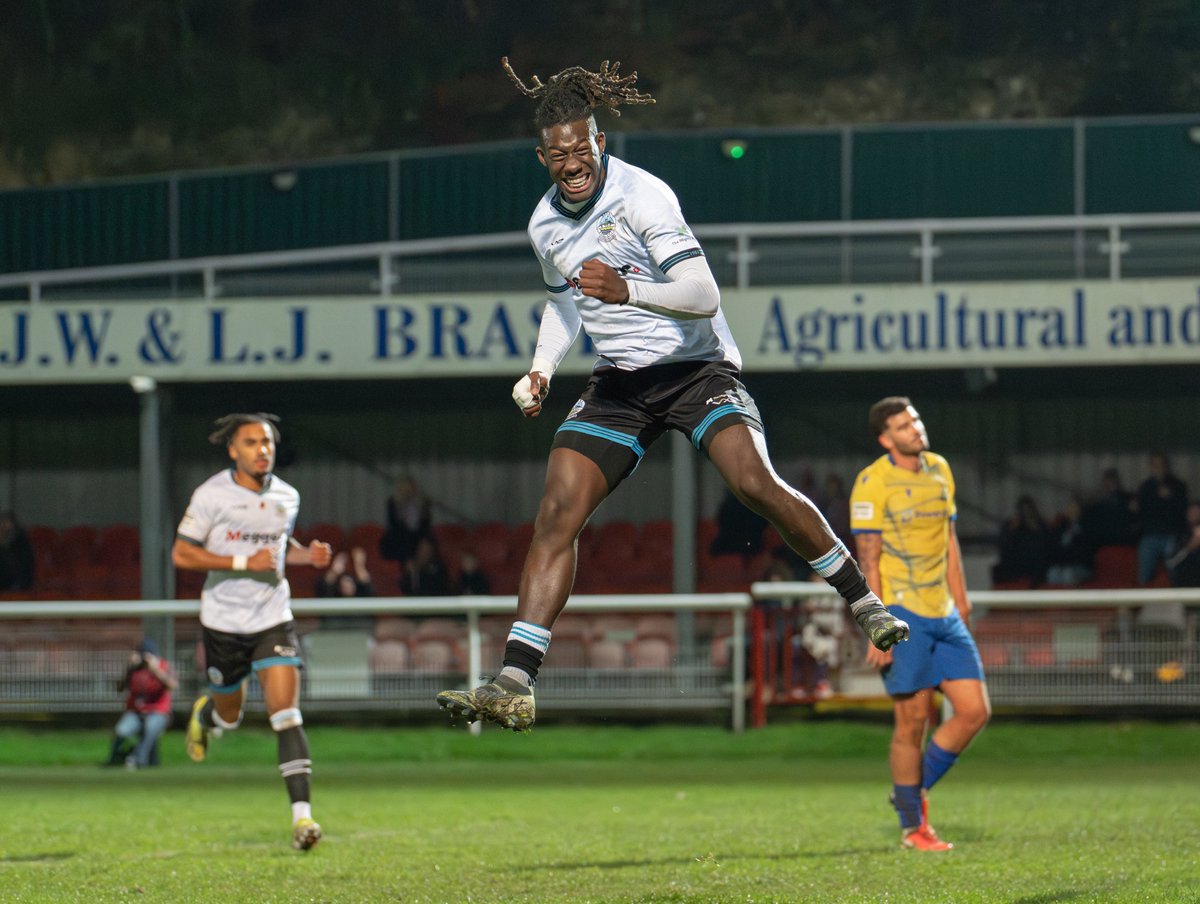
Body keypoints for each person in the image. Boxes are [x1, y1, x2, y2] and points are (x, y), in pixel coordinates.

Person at [436, 58, 907, 732]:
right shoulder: (544, 224)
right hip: (621, 384)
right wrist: (542, 368)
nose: (573, 161)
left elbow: (703, 295)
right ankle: (516, 678)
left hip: (696, 369)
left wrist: (626, 288)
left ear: (600, 143)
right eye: (558, 153)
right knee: (557, 509)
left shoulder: (644, 196)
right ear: (543, 156)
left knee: (753, 482)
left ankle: (861, 600)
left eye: (583, 147)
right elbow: (563, 302)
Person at [172, 413, 332, 851]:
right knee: (231, 715)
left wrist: (306, 557)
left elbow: (277, 549)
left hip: (272, 617)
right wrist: (242, 564)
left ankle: (303, 820)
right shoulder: (211, 494)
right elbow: (183, 555)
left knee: (286, 714)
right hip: (223, 622)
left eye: (266, 442)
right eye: (250, 442)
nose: (261, 449)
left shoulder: (287, 496)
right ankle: (207, 716)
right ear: (233, 450)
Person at [850, 397, 989, 851]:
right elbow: (868, 557)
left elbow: (949, 540)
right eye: (903, 425)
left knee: (974, 711)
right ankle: (914, 827)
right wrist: (876, 624)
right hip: (902, 613)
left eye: (915, 419)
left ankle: (910, 789)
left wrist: (962, 602)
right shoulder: (872, 482)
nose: (915, 428)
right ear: (885, 438)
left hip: (945, 610)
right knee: (912, 723)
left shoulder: (939, 469)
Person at [105, 637, 176, 769]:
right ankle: (116, 758)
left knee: (150, 728)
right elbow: (119, 689)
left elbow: (172, 686)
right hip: (135, 712)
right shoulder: (134, 669)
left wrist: (154, 670)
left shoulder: (162, 666)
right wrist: (128, 669)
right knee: (121, 731)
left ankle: (139, 760)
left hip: (158, 711)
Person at [1133, 453, 1189, 585]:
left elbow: (1183, 508)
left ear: (1166, 466)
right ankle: (1144, 600)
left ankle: (1175, 599)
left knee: (1173, 570)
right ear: (1151, 467)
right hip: (1150, 534)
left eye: (1161, 465)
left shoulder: (1177, 485)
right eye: (1155, 465)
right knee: (1144, 572)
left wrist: (1170, 497)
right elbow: (1140, 510)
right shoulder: (1146, 486)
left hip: (1171, 535)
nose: (1158, 468)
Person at [380, 476, 433, 565]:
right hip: (399, 537)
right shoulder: (393, 503)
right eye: (404, 488)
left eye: (410, 488)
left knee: (426, 547)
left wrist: (424, 539)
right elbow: (393, 523)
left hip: (418, 537)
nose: (407, 491)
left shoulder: (422, 504)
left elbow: (426, 525)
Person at [0, 510, 34, 592]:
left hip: (19, 580)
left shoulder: (21, 539)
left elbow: (21, 563)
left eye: (5, 522)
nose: (3, 525)